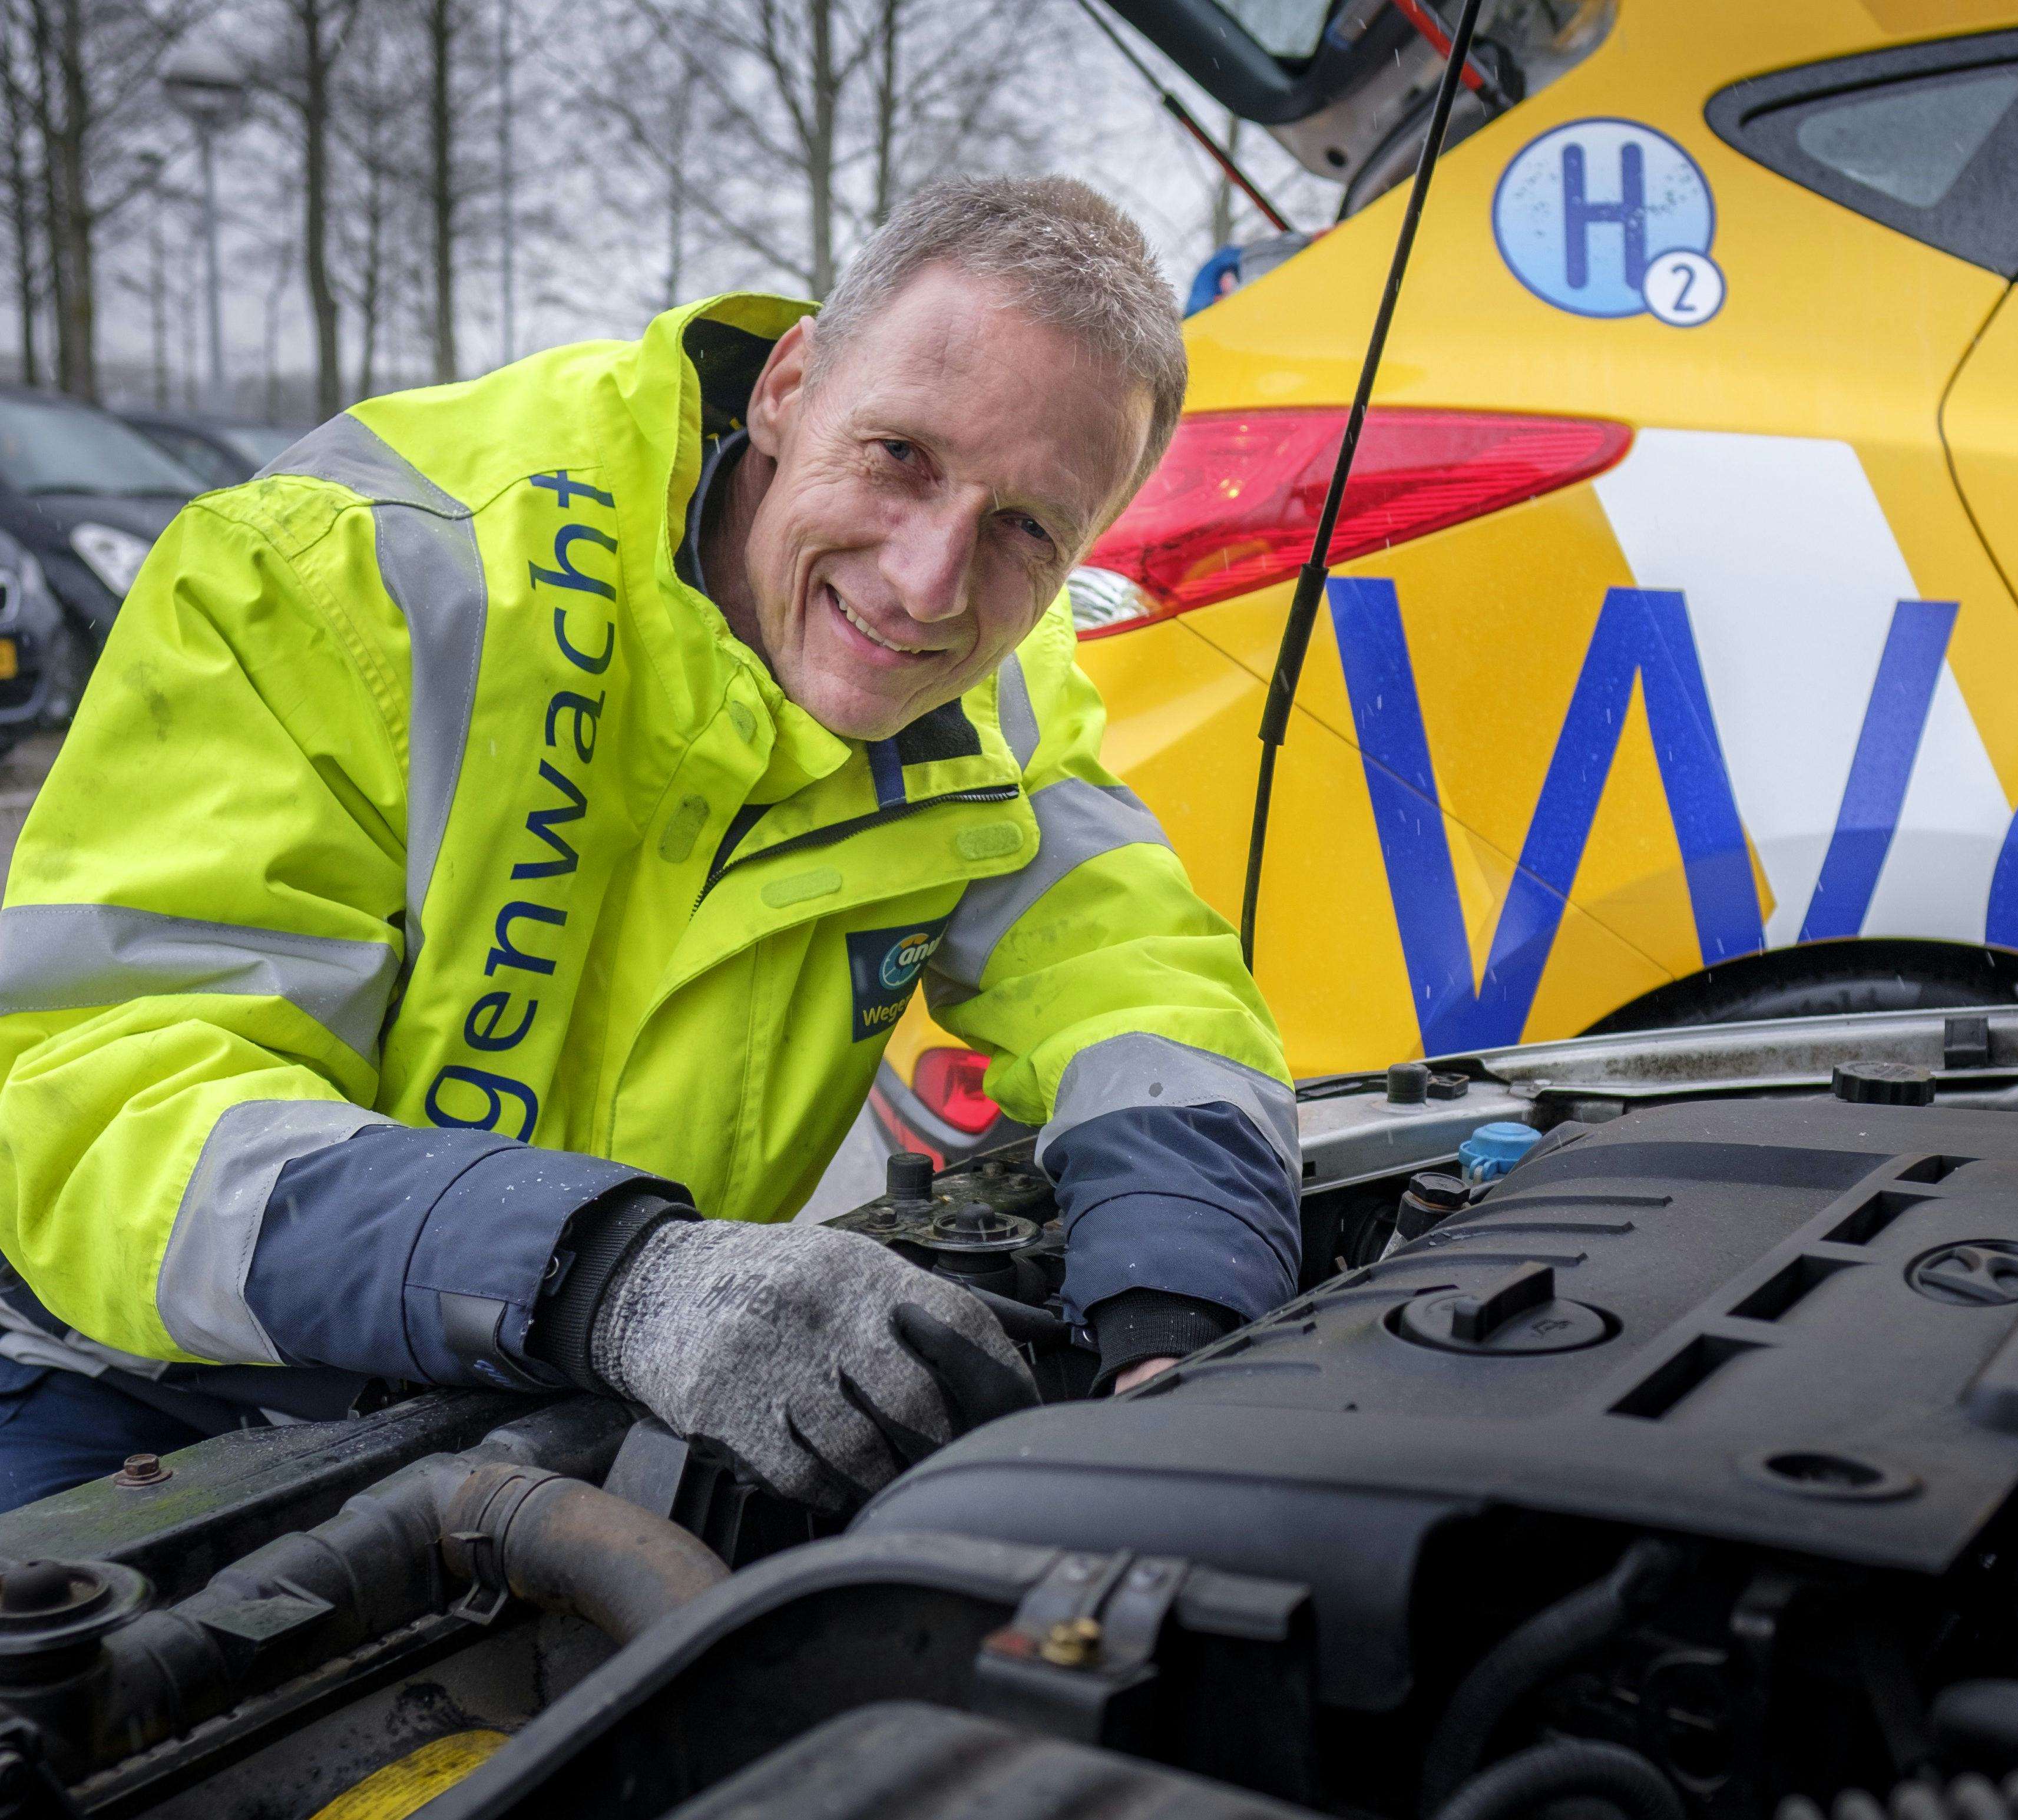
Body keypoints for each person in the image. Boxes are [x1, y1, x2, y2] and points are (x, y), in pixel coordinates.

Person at [0, 177, 1298, 1511]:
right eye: (901, 454)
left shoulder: (995, 696)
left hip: (555, 1409)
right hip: (140, 1394)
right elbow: (102, 1109)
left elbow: (1144, 986)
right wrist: (609, 1276)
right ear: (789, 388)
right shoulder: (355, 564)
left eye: (1026, 527)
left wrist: (1176, 1324)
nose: (928, 585)